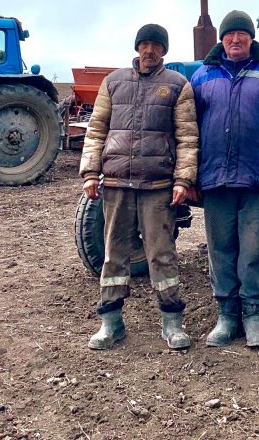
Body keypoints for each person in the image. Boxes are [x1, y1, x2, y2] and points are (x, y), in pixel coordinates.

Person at [80, 24, 198, 351]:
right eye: (144, 44)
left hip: (157, 185)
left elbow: (188, 138)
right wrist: (90, 172)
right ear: (137, 47)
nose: (149, 50)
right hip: (116, 182)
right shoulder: (113, 83)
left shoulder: (177, 85)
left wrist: (183, 179)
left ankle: (172, 323)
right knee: (114, 255)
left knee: (162, 254)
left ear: (164, 51)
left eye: (156, 45)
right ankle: (111, 323)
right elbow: (96, 130)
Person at [190, 10, 259, 348]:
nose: (236, 40)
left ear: (252, 38)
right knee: (221, 249)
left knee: (254, 249)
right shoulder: (202, 76)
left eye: (242, 34)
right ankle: (227, 316)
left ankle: (253, 315)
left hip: (257, 180)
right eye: (230, 34)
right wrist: (189, 177)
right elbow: (189, 130)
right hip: (216, 179)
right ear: (221, 39)